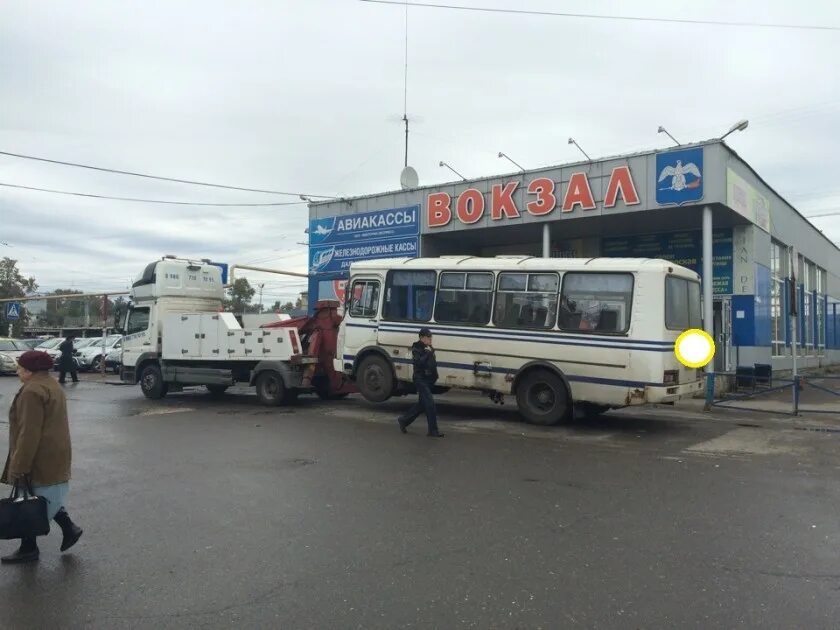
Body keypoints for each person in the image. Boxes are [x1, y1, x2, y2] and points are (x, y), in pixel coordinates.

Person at [1, 351, 83, 564]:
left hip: (39, 455)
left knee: (28, 498)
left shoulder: (32, 391)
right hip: (54, 452)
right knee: (39, 497)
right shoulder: (51, 384)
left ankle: (29, 548)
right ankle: (67, 528)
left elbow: (29, 432)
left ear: (29, 371)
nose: (18, 371)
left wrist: (19, 465)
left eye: (20, 368)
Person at [397, 328, 444, 438]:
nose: (430, 339)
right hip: (420, 379)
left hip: (428, 380)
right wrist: (429, 353)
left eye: (431, 337)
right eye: (428, 337)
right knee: (430, 404)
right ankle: (433, 431)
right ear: (422, 338)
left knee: (422, 405)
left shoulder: (429, 348)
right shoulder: (416, 347)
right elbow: (419, 363)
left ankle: (403, 420)